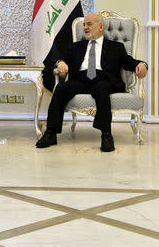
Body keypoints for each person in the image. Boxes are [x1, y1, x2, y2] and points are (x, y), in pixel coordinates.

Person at [36, 13, 148, 152]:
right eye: (84, 25)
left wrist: (142, 65)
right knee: (61, 87)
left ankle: (106, 135)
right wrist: (61, 64)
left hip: (105, 80)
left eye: (89, 24)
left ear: (101, 26)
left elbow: (129, 62)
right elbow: (61, 59)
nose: (85, 27)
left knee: (101, 87)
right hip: (81, 80)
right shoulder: (77, 46)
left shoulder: (115, 47)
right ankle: (51, 133)